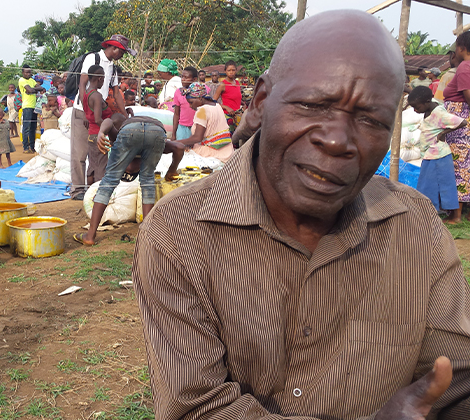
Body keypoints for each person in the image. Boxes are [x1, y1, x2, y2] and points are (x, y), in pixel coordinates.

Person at [134, 10, 470, 420]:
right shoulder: (178, 233)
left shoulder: (414, 223)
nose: (337, 140)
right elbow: (195, 409)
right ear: (259, 104)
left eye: (370, 120)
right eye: (313, 104)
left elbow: (457, 383)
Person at [74, 113, 184, 246]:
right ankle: (147, 234)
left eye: (125, 170)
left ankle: (90, 235)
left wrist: (101, 132)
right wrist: (172, 170)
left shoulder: (120, 142)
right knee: (147, 181)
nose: (129, 169)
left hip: (136, 130)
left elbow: (109, 120)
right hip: (156, 131)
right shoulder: (148, 148)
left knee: (109, 181)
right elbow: (179, 147)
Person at [70, 34, 134, 200]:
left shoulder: (112, 67)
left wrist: (125, 115)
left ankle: (93, 190)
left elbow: (116, 94)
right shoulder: (94, 58)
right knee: (80, 152)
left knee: (96, 152)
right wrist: (87, 111)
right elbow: (82, 84)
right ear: (114, 48)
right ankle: (77, 190)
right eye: (122, 52)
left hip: (99, 113)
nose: (122, 56)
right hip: (83, 112)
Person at [407, 86, 465, 223]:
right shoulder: (430, 108)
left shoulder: (438, 113)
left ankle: (439, 216)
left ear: (427, 101)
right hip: (431, 154)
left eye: (416, 107)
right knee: (431, 185)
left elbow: (462, 122)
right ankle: (431, 213)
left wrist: (443, 133)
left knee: (434, 186)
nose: (415, 110)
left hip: (438, 155)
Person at [442, 31, 470, 221]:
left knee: (458, 165)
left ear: (461, 48)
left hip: (459, 121)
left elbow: (468, 96)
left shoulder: (464, 67)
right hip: (462, 119)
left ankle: (456, 215)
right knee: (465, 165)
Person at [178, 83, 233, 160]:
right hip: (227, 152)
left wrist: (176, 142)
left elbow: (197, 138)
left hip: (212, 154)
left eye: (191, 102)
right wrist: (189, 142)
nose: (190, 106)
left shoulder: (202, 110)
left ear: (200, 98)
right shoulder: (217, 106)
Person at [81, 65, 114, 185]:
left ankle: (89, 192)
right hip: (99, 135)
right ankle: (98, 195)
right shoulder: (97, 96)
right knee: (101, 167)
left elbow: (89, 114)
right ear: (100, 79)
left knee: (93, 166)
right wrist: (111, 129)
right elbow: (98, 119)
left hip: (91, 135)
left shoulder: (86, 93)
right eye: (103, 78)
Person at [212, 60, 243, 133]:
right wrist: (226, 107)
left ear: (236, 71)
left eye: (233, 70)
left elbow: (236, 98)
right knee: (229, 138)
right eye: (229, 70)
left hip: (238, 115)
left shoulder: (237, 83)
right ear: (225, 71)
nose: (231, 72)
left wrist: (243, 104)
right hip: (227, 116)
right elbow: (213, 102)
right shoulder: (223, 84)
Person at [18, 65, 44, 153]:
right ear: (23, 73)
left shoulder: (32, 80)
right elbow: (30, 90)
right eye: (26, 72)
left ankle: (32, 147)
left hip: (34, 106)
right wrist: (34, 90)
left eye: (29, 72)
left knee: (33, 127)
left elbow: (41, 88)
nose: (28, 74)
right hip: (27, 106)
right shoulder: (22, 80)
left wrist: (33, 90)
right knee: (26, 127)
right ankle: (25, 147)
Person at [171, 67, 197, 140]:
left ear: (194, 79)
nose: (183, 79)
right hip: (182, 127)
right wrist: (174, 134)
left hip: (197, 126)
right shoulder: (178, 92)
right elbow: (176, 113)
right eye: (182, 77)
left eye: (186, 77)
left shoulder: (200, 91)